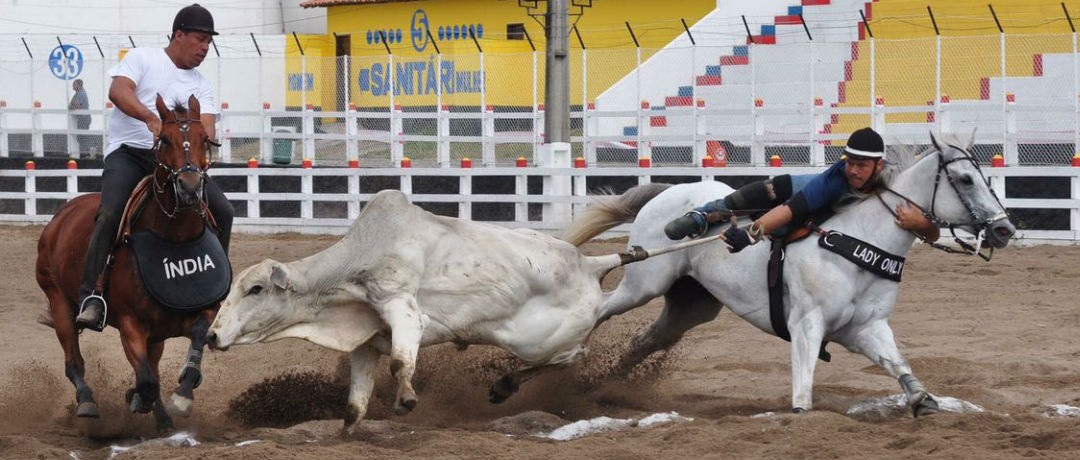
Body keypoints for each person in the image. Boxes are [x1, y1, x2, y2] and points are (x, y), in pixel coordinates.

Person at [76, 3, 234, 331]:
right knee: (109, 214)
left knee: (224, 211)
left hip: (178, 163)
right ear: (179, 35)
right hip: (130, 154)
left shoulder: (201, 84)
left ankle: (215, 291)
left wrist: (195, 137)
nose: (205, 47)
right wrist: (150, 118)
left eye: (209, 42)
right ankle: (91, 295)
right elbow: (118, 90)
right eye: (200, 39)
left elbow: (207, 126)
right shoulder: (143, 58)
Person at [664, 127, 940, 252]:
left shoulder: (895, 183)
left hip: (832, 217)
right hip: (796, 191)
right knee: (751, 197)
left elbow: (933, 233)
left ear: (879, 165)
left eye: (861, 166)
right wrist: (750, 235)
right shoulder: (834, 179)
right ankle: (702, 215)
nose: (853, 170)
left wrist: (920, 223)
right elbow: (790, 209)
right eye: (850, 163)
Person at [68, 79, 91, 156]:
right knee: (81, 137)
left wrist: (72, 105)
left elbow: (75, 106)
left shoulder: (81, 94)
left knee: (83, 138)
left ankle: (86, 154)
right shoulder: (78, 94)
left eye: (74, 85)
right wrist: (71, 105)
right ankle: (85, 153)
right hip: (82, 119)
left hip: (83, 119)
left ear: (78, 85)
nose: (72, 87)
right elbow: (71, 105)